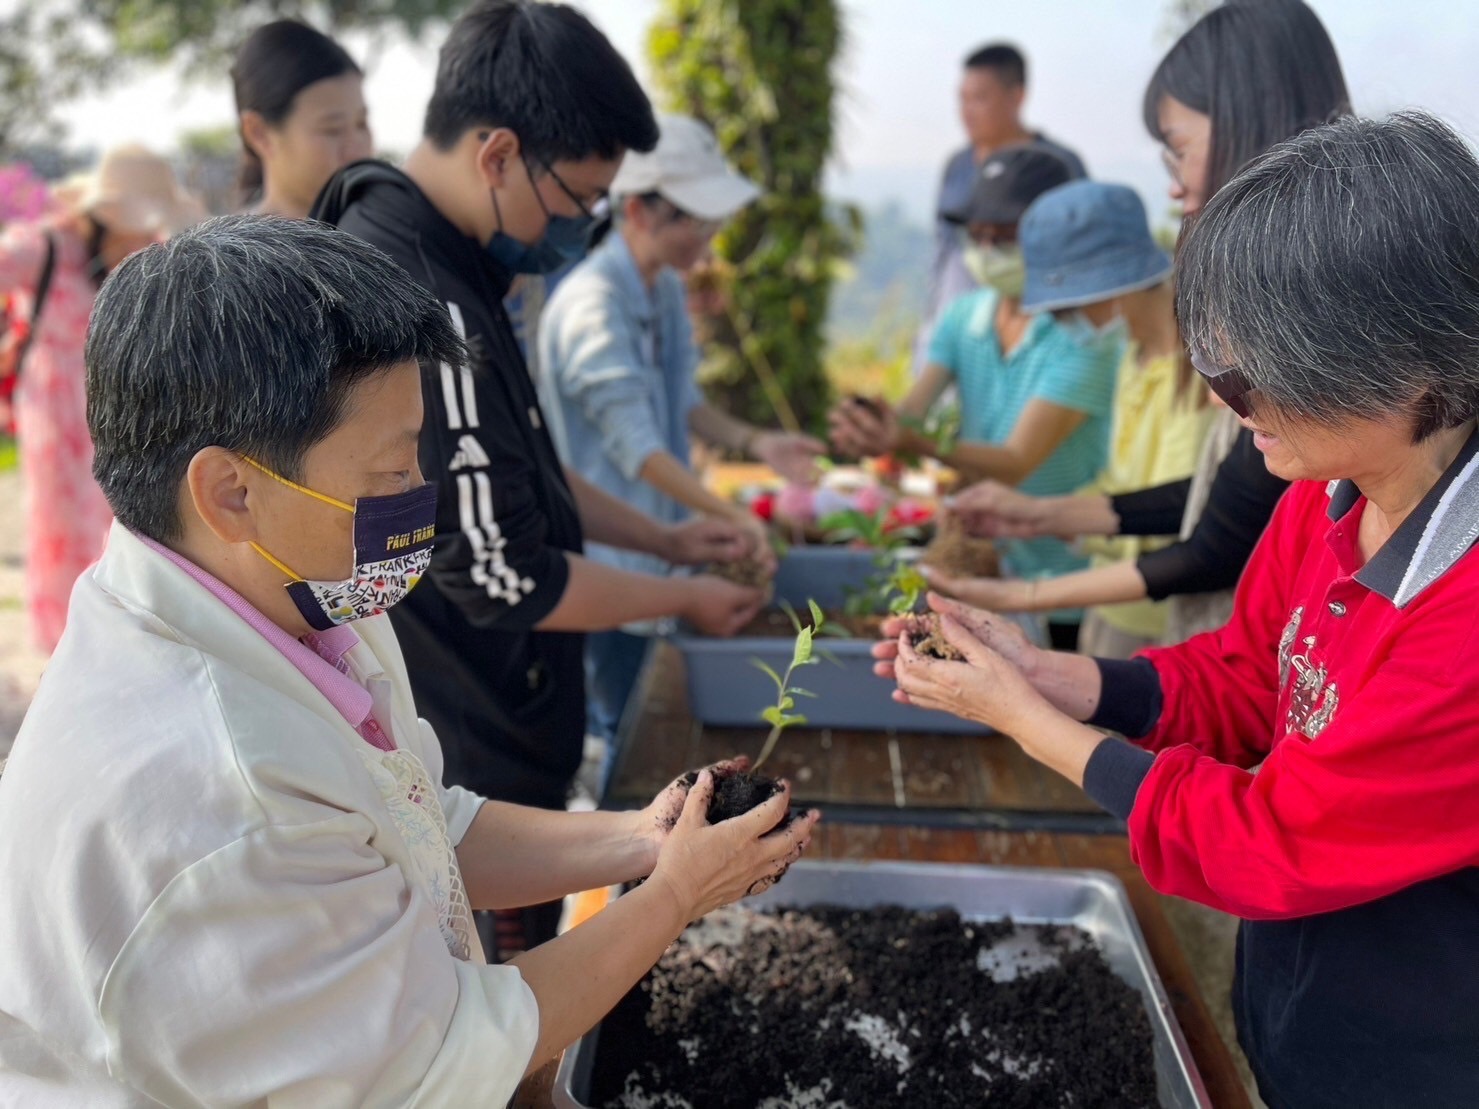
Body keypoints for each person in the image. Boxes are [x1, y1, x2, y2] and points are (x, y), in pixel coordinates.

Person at [0, 214, 819, 1105]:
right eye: (388, 472)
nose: (416, 500)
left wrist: (644, 839)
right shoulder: (221, 800)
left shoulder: (304, 593)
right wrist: (671, 898)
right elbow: (439, 1062)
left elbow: (417, 823)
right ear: (232, 491)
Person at [878, 112, 1479, 1109]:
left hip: (1417, 1056)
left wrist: (1037, 728)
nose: (1229, 404)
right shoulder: (1328, 495)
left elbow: (1274, 836)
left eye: (1253, 373)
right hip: (1298, 1000)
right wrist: (1060, 676)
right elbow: (1249, 675)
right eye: (1217, 368)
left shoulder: (1458, 617)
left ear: (1409, 363)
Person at [310, 0, 765, 958]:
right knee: (505, 997)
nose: (580, 227)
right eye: (576, 199)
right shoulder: (421, 292)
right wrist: (684, 593)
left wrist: (667, 539)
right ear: (500, 154)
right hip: (472, 733)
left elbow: (515, 474)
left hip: (486, 716)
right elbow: (503, 572)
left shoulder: (443, 252)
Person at [941, 0, 1350, 643]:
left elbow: (1213, 542)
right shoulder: (1176, 346)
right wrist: (1042, 516)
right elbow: (1213, 500)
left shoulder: (1273, 332)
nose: (1178, 188)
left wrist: (1027, 588)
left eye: (1179, 150)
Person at [539, 113, 826, 749]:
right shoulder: (594, 305)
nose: (707, 237)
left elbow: (683, 402)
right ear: (637, 211)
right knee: (627, 728)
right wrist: (731, 514)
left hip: (665, 548)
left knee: (664, 725)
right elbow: (637, 448)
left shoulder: (661, 288)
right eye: (695, 220)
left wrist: (759, 443)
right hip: (610, 563)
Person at [830, 145, 1118, 650]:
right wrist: (874, 426)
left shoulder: (1084, 337)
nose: (987, 251)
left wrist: (916, 443)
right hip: (985, 564)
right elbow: (913, 411)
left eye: (1004, 238)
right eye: (977, 236)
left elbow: (1014, 462)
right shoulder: (966, 315)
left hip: (1066, 574)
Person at [925, 180, 1209, 659]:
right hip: (1111, 606)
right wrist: (1030, 515)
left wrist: (1043, 528)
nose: (1061, 324)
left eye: (1063, 308)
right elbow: (1118, 487)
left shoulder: (1196, 378)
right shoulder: (1130, 357)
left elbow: (1179, 514)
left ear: (1110, 289)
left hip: (1167, 620)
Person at [0, 144, 202, 653]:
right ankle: (64, 653)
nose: (150, 234)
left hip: (127, 413)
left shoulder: (147, 255)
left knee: (125, 528)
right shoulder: (40, 249)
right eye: (139, 221)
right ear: (104, 215)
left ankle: (119, 647)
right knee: (58, 533)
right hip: (55, 418)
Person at [913, 43, 1086, 377]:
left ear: (1017, 96)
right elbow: (944, 253)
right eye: (961, 99)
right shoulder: (957, 167)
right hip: (954, 334)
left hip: (1030, 345)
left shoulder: (1058, 167)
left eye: (979, 98)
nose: (966, 111)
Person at [231, 20, 374, 219]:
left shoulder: (392, 234)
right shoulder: (235, 249)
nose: (356, 150)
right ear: (259, 133)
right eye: (332, 129)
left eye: (362, 124)